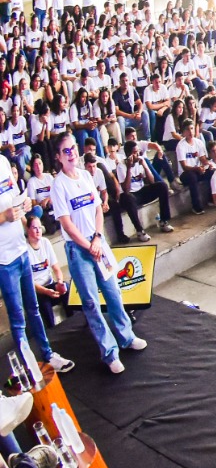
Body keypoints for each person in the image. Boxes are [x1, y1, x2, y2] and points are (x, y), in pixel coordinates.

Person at [48, 135, 143, 374]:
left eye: (72, 149)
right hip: (78, 249)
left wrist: (98, 238)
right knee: (91, 302)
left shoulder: (87, 176)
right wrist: (87, 245)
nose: (70, 153)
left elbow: (98, 210)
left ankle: (126, 337)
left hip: (98, 243)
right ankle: (109, 353)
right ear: (58, 157)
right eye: (65, 151)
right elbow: (67, 224)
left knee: (113, 292)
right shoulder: (58, 184)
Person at [0, 144, 68, 373]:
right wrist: (4, 216)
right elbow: (5, 213)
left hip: (21, 250)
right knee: (18, 318)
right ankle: (29, 367)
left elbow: (12, 200)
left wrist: (24, 206)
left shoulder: (3, 163)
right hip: (4, 260)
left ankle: (48, 354)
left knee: (34, 308)